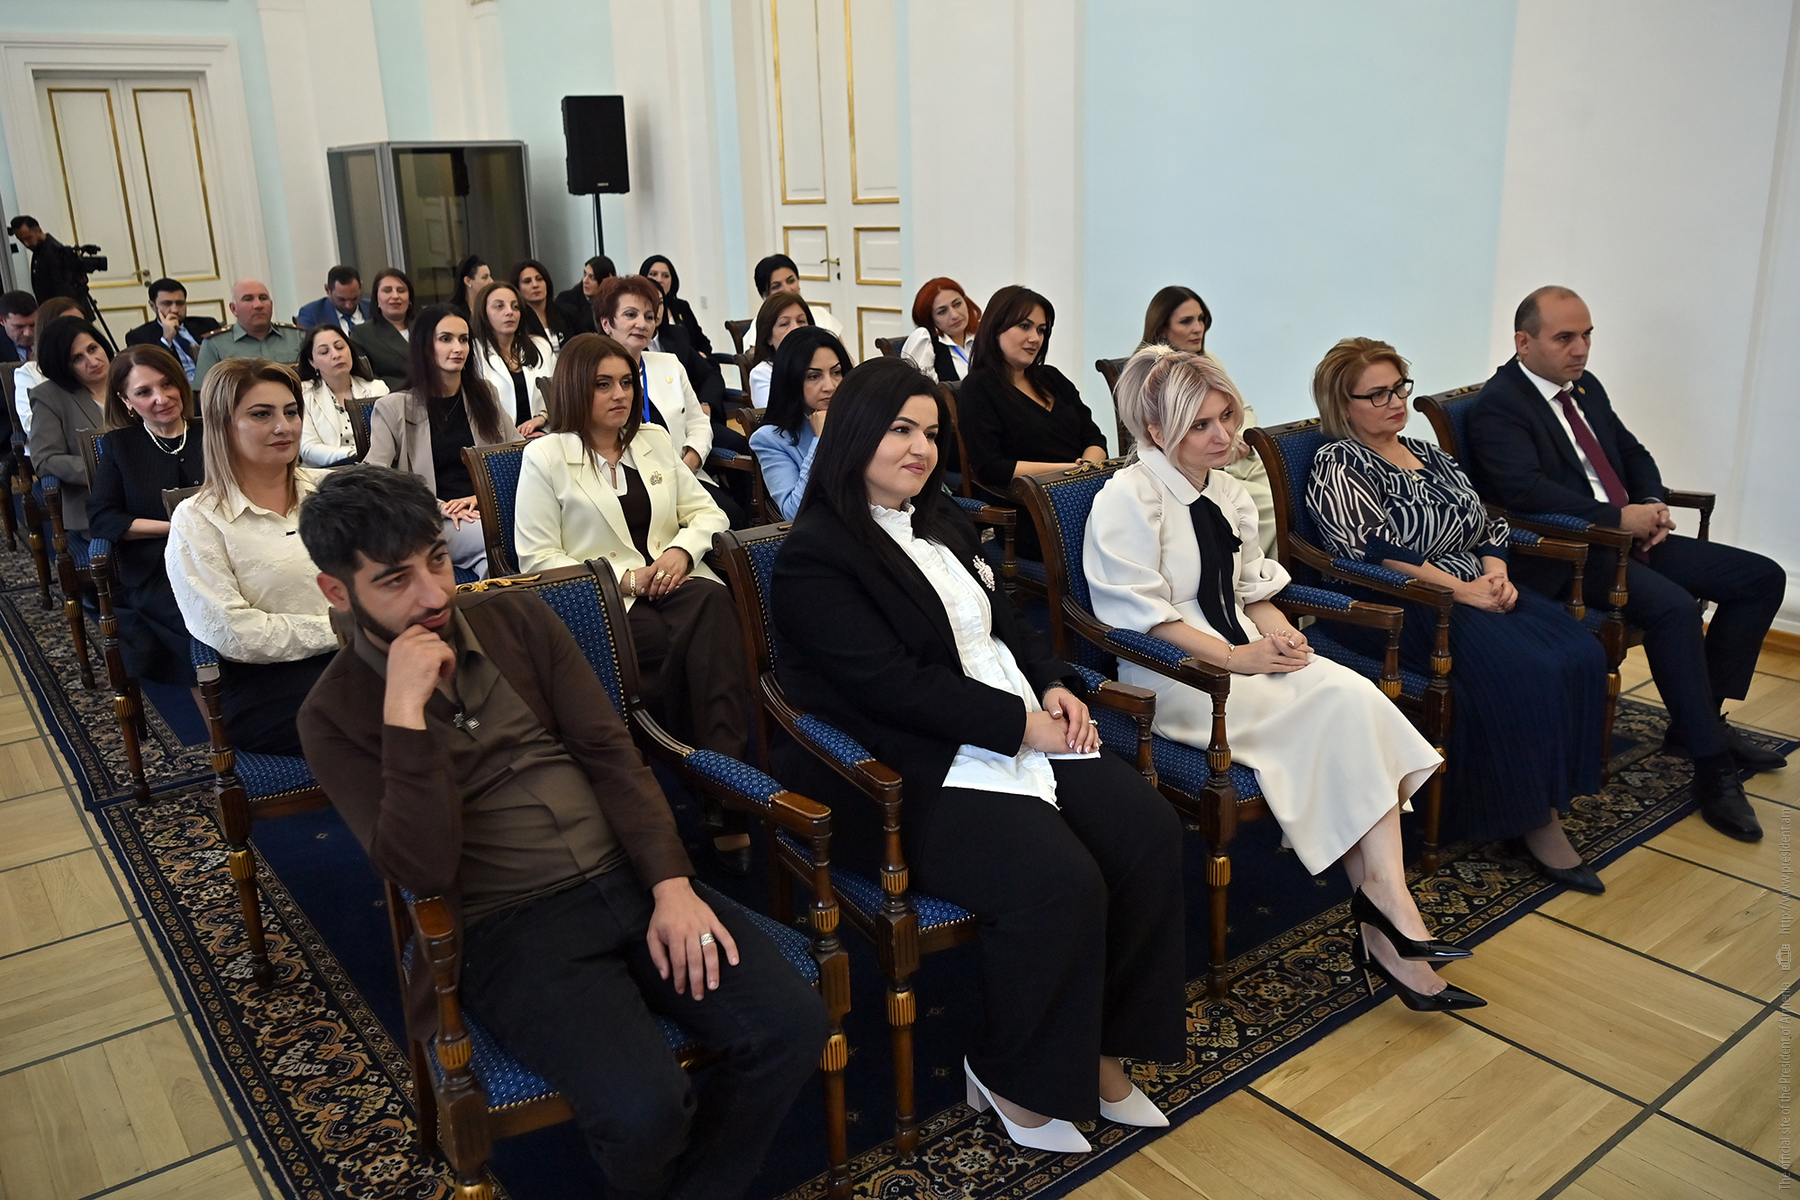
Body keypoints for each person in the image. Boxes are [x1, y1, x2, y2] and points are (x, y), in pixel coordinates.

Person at [294, 463, 826, 1200]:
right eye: (394, 580)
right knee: (643, 1112)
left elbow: (610, 753)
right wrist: (406, 718)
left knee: (789, 1025)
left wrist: (672, 885)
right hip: (511, 925)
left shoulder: (515, 620)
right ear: (337, 591)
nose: (433, 595)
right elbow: (420, 868)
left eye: (438, 560)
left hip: (628, 875)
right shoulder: (333, 714)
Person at [771, 357, 1187, 1151]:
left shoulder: (945, 521)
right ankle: (1011, 1073)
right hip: (911, 765)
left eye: (931, 433)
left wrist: (1053, 683)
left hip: (1013, 722)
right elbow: (890, 685)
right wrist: (1019, 725)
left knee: (1147, 832)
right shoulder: (815, 554)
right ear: (855, 432)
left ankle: (1103, 1046)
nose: (920, 449)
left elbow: (1007, 625)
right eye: (900, 430)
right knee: (1057, 881)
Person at [1084, 347, 1484, 1013]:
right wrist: (1233, 658)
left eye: (1227, 417)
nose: (1223, 436)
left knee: (1353, 695)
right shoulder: (1128, 498)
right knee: (1332, 711)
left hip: (1244, 651)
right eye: (1201, 425)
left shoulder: (1228, 492)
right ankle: (1391, 920)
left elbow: (1253, 592)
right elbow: (1140, 617)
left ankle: (1388, 911)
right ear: (1156, 430)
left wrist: (1279, 633)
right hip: (1178, 674)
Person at [1466, 286, 1788, 843]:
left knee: (1761, 579)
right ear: (1524, 341)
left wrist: (1652, 503)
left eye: (1587, 335)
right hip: (1570, 554)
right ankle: (1712, 766)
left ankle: (1699, 723)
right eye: (1565, 337)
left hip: (1625, 536)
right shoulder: (1499, 405)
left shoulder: (1584, 387)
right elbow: (1523, 492)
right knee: (1674, 608)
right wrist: (1618, 518)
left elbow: (1633, 452)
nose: (1581, 348)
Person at [1306, 337, 1610, 891]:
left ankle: (1547, 792)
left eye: (1399, 388)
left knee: (1580, 651)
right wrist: (1461, 592)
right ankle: (1533, 823)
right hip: (1400, 603)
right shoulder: (1338, 462)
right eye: (1377, 394)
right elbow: (1371, 550)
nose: (1395, 402)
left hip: (1475, 585)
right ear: (1342, 404)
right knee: (1529, 670)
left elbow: (1487, 522)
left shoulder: (1430, 453)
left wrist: (1496, 573)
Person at [514, 333, 753, 871]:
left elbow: (708, 513)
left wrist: (681, 551)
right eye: (603, 384)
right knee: (675, 644)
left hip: (676, 584)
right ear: (576, 389)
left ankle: (718, 786)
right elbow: (537, 558)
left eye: (626, 382)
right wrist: (624, 579)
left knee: (713, 610)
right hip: (605, 602)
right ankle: (710, 784)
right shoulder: (546, 456)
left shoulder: (652, 439)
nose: (620, 394)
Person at [165, 359, 337, 756]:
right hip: (266, 683)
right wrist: (343, 629)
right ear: (224, 426)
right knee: (392, 718)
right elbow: (234, 633)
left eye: (291, 412)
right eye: (262, 414)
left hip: (360, 653)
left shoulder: (331, 490)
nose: (284, 427)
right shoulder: (198, 519)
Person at [87, 346, 205, 707]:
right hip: (157, 569)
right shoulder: (120, 446)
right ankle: (222, 728)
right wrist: (172, 528)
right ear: (126, 401)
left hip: (230, 556)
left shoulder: (213, 431)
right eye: (144, 392)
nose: (161, 398)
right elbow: (103, 517)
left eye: (167, 384)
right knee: (198, 625)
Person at [958, 285, 1108, 558]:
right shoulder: (978, 387)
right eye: (1024, 326)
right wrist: (1069, 472)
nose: (1035, 338)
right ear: (995, 328)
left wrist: (1086, 470)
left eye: (1041, 330)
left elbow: (1094, 437)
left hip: (1086, 497)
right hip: (1033, 514)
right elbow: (990, 467)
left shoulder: (1051, 377)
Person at [365, 305, 510, 580]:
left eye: (464, 339)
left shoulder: (485, 395)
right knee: (503, 538)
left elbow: (516, 455)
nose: (458, 348)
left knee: (496, 565)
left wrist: (482, 498)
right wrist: (440, 506)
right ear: (424, 346)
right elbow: (375, 479)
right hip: (434, 518)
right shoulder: (393, 407)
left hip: (487, 509)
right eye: (445, 339)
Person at [1140, 286, 1274, 555]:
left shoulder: (1208, 361)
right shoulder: (1149, 374)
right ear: (1162, 329)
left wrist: (1239, 435)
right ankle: (1256, 570)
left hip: (1238, 456)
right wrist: (1225, 438)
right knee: (1272, 505)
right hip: (1197, 468)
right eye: (1186, 321)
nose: (1198, 328)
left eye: (1201, 319)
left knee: (1289, 492)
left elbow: (1240, 407)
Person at [592, 277, 723, 502]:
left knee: (730, 514)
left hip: (683, 476)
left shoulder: (669, 363)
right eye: (630, 315)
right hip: (627, 486)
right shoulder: (592, 374)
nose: (642, 324)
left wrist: (691, 461)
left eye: (649, 317)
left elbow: (698, 423)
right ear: (607, 324)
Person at [28, 315, 111, 550]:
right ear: (63, 366)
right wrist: (103, 470)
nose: (92, 361)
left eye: (93, 348)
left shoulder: (130, 376)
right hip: (97, 504)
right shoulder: (50, 396)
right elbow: (44, 459)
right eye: (77, 358)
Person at [749, 326, 848, 520]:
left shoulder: (859, 418)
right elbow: (794, 511)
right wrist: (820, 441)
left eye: (836, 372)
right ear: (791, 379)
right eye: (814, 376)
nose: (830, 386)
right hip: (827, 530)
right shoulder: (769, 439)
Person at [470, 280, 554, 437]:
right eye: (499, 306)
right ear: (483, 313)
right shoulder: (473, 352)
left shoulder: (540, 346)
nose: (510, 312)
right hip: (498, 441)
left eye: (515, 307)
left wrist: (543, 418)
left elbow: (561, 393)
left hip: (544, 436)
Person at [297, 325, 389, 467]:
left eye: (340, 347)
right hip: (326, 473)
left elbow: (390, 440)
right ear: (312, 362)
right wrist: (353, 455)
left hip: (376, 469)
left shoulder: (377, 389)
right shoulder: (303, 394)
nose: (336, 355)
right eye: (324, 352)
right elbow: (308, 448)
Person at [192, 279, 302, 389]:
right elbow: (203, 391)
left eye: (263, 298)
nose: (258, 305)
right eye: (248, 299)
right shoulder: (215, 344)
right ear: (234, 309)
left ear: (271, 304)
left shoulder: (297, 337)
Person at [124, 278, 221, 384]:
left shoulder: (207, 324)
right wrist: (166, 339)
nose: (175, 310)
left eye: (180, 303)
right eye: (167, 304)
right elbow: (150, 371)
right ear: (153, 305)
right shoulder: (139, 337)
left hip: (214, 385)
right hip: (179, 388)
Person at [11, 297, 82, 437]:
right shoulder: (28, 373)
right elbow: (32, 425)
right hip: (53, 445)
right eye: (67, 326)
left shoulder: (96, 365)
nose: (79, 331)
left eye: (81, 323)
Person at [753, 253, 846, 344]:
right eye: (776, 286)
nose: (787, 290)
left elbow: (843, 353)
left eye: (791, 281)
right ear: (765, 295)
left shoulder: (821, 314)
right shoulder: (759, 324)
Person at [899, 277, 978, 383]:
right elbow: (922, 389)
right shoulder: (925, 339)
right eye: (942, 312)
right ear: (930, 318)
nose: (954, 315)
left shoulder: (980, 334)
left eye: (957, 304)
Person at [745, 291, 812, 410]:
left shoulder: (823, 363)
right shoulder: (762, 374)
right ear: (769, 337)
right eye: (784, 324)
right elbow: (778, 415)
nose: (796, 328)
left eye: (801, 321)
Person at [641, 255, 715, 360]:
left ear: (672, 280)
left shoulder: (681, 307)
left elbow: (702, 342)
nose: (659, 280)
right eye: (653, 274)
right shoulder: (640, 312)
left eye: (665, 276)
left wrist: (700, 356)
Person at [351, 267, 414, 389]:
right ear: (377, 299)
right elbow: (365, 377)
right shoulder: (362, 334)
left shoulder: (428, 327)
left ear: (410, 298)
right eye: (387, 290)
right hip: (394, 395)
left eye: (401, 290)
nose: (395, 296)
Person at [7, 216, 88, 308]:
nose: (26, 244)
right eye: (21, 240)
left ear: (39, 231)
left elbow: (63, 291)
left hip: (63, 309)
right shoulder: (40, 251)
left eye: (28, 238)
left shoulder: (54, 252)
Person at [511, 259, 570, 349]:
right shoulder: (517, 320)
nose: (535, 285)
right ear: (517, 288)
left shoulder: (566, 313)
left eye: (539, 279)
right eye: (527, 281)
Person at [295, 265, 371, 335]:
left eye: (354, 298)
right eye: (342, 299)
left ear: (360, 286)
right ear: (328, 289)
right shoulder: (312, 314)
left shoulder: (374, 308)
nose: (349, 305)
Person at [555, 255, 614, 336]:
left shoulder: (613, 301)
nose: (585, 281)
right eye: (585, 274)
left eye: (592, 277)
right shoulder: (566, 299)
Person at [0, 290, 36, 363]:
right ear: (2, 320)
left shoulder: (51, 337)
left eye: (33, 325)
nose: (28, 333)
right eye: (19, 327)